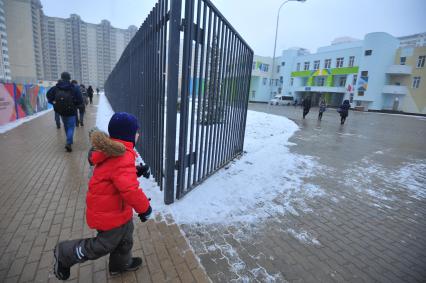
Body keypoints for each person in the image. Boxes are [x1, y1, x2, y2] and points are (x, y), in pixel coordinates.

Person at [53, 112, 152, 280]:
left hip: (117, 210)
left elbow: (117, 174)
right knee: (103, 245)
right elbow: (130, 189)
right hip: (110, 213)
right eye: (136, 132)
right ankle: (65, 254)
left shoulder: (115, 150)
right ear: (127, 135)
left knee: (125, 239)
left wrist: (137, 171)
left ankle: (120, 264)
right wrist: (145, 209)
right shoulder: (122, 156)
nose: (138, 134)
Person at [46, 72, 83, 152]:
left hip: (61, 110)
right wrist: (77, 104)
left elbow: (48, 95)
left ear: (62, 77)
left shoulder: (56, 87)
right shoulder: (74, 87)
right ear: (69, 78)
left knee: (66, 125)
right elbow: (80, 99)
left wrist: (53, 103)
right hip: (71, 110)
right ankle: (69, 142)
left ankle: (69, 140)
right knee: (71, 126)